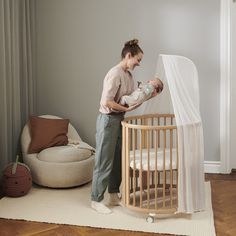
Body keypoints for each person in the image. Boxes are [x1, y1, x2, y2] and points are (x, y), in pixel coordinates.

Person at [91, 39, 156, 214]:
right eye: (138, 60)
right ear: (129, 55)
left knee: (118, 158)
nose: (139, 64)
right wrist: (127, 108)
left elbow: (131, 97)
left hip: (120, 119)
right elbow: (108, 102)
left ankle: (112, 194)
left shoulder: (128, 75)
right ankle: (96, 199)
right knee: (104, 160)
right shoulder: (115, 73)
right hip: (108, 120)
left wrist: (148, 92)